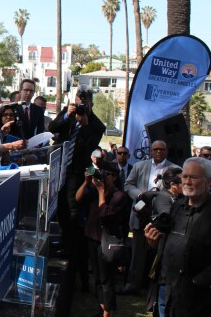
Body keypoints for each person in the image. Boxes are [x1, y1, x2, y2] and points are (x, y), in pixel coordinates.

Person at [145, 157, 211, 317]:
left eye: (193, 177)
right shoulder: (178, 206)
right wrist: (154, 243)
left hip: (198, 300)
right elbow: (170, 245)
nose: (187, 181)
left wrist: (195, 282)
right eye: (184, 177)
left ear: (208, 181)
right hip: (167, 290)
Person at [50, 87, 105, 313]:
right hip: (60, 166)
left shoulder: (95, 123)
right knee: (60, 207)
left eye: (84, 103)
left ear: (90, 104)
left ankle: (70, 243)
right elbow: (52, 128)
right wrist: (67, 115)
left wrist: (85, 121)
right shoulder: (68, 113)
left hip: (76, 170)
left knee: (73, 207)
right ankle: (64, 237)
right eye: (77, 102)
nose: (80, 106)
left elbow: (92, 141)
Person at [121, 140, 180, 295]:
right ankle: (133, 284)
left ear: (167, 151)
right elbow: (128, 185)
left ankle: (155, 287)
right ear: (151, 151)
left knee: (160, 252)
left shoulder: (175, 169)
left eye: (162, 149)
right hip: (141, 214)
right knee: (137, 252)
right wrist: (140, 195)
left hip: (163, 216)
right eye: (155, 149)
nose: (159, 152)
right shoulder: (139, 166)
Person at [76, 160, 128, 317]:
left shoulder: (119, 196)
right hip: (92, 237)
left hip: (106, 242)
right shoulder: (94, 188)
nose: (104, 177)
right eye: (102, 173)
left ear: (114, 177)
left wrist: (100, 192)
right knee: (97, 278)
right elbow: (78, 199)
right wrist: (86, 182)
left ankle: (108, 312)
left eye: (107, 175)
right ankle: (102, 308)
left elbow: (104, 214)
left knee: (106, 279)